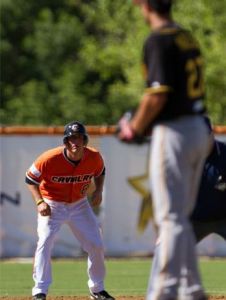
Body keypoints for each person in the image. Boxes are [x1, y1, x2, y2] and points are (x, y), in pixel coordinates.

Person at [117, 1, 212, 299]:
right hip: (199, 127)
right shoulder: (186, 36)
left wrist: (134, 127)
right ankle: (192, 290)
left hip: (175, 131)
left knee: (169, 217)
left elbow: (157, 95)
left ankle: (163, 291)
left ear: (145, 5)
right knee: (180, 216)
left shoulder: (158, 39)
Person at [25, 121, 115, 300]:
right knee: (45, 242)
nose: (76, 141)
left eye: (79, 137)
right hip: (52, 204)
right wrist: (39, 201)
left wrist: (98, 190)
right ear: (65, 141)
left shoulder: (94, 157)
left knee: (96, 244)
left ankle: (97, 289)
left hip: (79, 204)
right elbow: (30, 179)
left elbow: (100, 171)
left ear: (85, 140)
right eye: (72, 138)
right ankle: (40, 291)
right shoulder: (49, 158)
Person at [147, 118, 226, 298]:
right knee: (163, 251)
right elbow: (170, 193)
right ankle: (156, 295)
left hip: (223, 217)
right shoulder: (183, 156)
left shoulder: (224, 155)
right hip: (192, 220)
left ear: (212, 135)